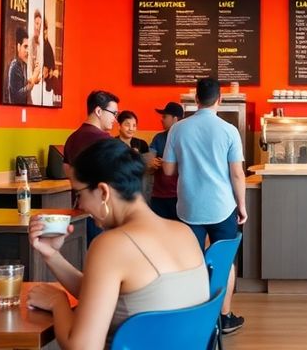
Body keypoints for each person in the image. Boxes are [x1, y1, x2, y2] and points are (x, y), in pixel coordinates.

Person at [26, 139, 209, 349]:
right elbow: (107, 296)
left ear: (103, 192)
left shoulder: (111, 245)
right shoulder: (184, 232)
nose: (81, 206)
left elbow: (83, 347)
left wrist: (58, 302)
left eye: (79, 194)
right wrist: (51, 254)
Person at [163, 78, 247, 334]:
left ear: (195, 99)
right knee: (224, 261)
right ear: (220, 100)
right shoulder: (229, 130)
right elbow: (237, 174)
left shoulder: (178, 129)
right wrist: (241, 205)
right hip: (222, 207)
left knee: (192, 262)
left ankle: (196, 318)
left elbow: (167, 170)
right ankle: (224, 317)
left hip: (189, 208)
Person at [65, 90, 119, 244]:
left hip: (80, 210)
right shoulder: (105, 141)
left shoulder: (72, 138)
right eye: (114, 113)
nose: (115, 119)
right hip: (103, 212)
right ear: (98, 111)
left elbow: (67, 171)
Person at [149, 102, 183, 221]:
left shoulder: (186, 137)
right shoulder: (158, 138)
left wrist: (168, 164)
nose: (161, 120)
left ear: (175, 118)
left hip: (180, 196)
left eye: (164, 116)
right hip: (158, 196)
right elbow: (150, 160)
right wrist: (152, 163)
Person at [5, 27, 41, 105]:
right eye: (25, 47)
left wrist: (35, 78)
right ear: (18, 47)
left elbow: (27, 82)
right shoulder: (14, 67)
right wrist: (33, 79)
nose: (28, 51)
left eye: (29, 47)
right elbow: (19, 96)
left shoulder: (24, 65)